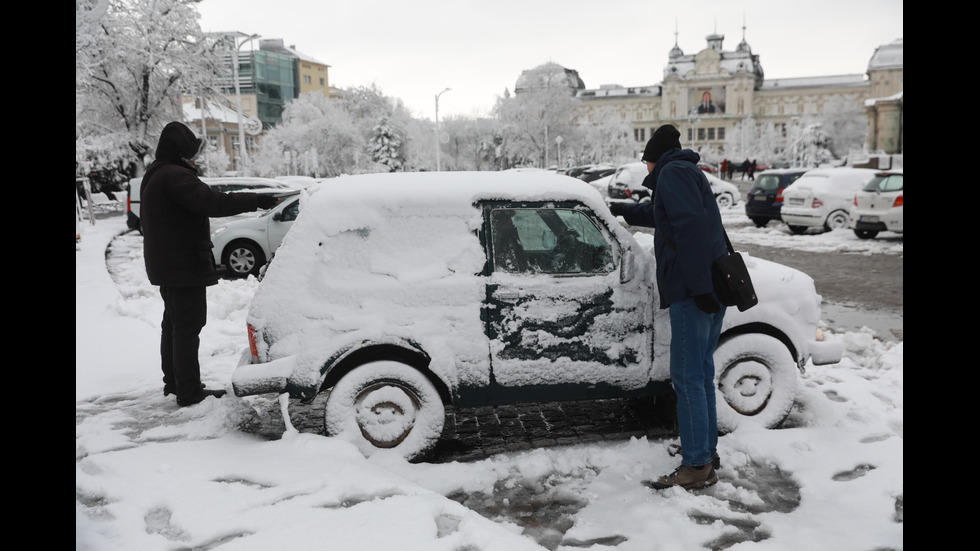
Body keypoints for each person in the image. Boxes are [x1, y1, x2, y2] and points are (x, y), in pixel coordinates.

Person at [608, 125, 728, 490]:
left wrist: (699, 288)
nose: (646, 172)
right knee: (701, 373)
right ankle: (705, 452)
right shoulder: (687, 171)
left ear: (653, 159)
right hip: (709, 289)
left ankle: (695, 466)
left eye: (646, 164)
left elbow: (689, 230)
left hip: (695, 293)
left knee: (687, 377)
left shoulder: (672, 173)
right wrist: (622, 209)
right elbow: (669, 217)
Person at [140, 121, 279, 407]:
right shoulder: (175, 176)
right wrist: (258, 199)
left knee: (175, 325)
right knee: (187, 327)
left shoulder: (156, 173)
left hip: (169, 264)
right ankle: (188, 391)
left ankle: (175, 383)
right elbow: (213, 203)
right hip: (182, 265)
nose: (194, 158)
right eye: (190, 152)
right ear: (179, 151)